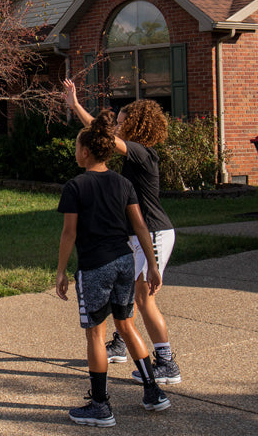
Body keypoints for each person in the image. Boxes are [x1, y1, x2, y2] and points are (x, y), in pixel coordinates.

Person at [55, 110, 170, 427]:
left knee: (95, 333)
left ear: (86, 151)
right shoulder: (123, 183)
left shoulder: (75, 186)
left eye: (77, 146)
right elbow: (142, 227)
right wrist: (153, 267)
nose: (75, 151)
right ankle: (153, 391)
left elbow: (69, 233)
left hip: (95, 267)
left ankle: (101, 405)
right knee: (127, 325)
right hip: (124, 262)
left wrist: (61, 271)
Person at [63, 80, 181, 385]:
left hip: (152, 232)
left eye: (121, 122)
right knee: (125, 293)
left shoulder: (143, 153)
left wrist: (76, 106)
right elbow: (103, 137)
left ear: (136, 125)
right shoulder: (137, 154)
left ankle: (166, 363)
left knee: (143, 300)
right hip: (140, 234)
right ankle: (119, 343)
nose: (116, 127)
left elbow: (101, 136)